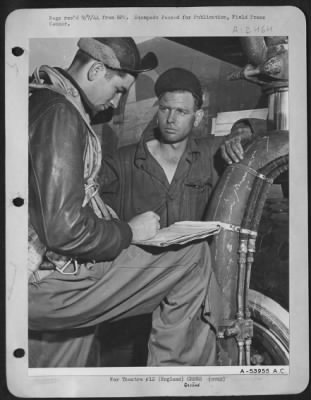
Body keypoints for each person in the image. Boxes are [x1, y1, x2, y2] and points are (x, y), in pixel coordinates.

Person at [28, 38, 220, 368]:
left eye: (183, 111)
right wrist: (129, 231)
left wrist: (246, 129)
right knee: (193, 257)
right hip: (48, 280)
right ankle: (174, 386)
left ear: (197, 116)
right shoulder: (60, 113)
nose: (117, 103)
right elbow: (63, 229)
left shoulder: (41, 101)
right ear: (97, 69)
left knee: (56, 372)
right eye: (118, 89)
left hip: (36, 279)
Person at [99, 67, 259, 227]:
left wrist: (243, 131)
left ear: (197, 118)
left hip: (196, 252)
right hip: (137, 252)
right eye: (165, 109)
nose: (170, 119)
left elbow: (277, 137)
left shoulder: (212, 153)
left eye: (181, 112)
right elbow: (98, 221)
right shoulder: (120, 162)